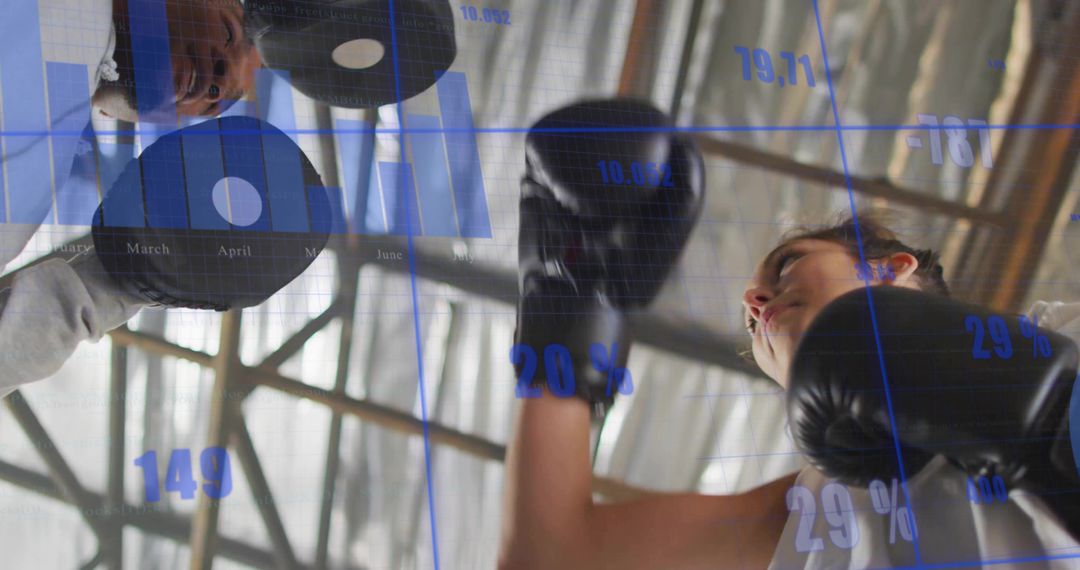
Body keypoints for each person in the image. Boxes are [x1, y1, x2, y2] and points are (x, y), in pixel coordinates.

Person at [499, 211, 1080, 569]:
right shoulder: (819, 508)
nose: (754, 307)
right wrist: (566, 295)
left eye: (785, 267)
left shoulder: (1056, 337)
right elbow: (551, 558)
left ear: (888, 268)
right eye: (751, 327)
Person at [0, 0, 259, 394]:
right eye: (228, 33)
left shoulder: (29, 200)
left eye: (212, 101)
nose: (218, 78)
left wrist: (109, 287)